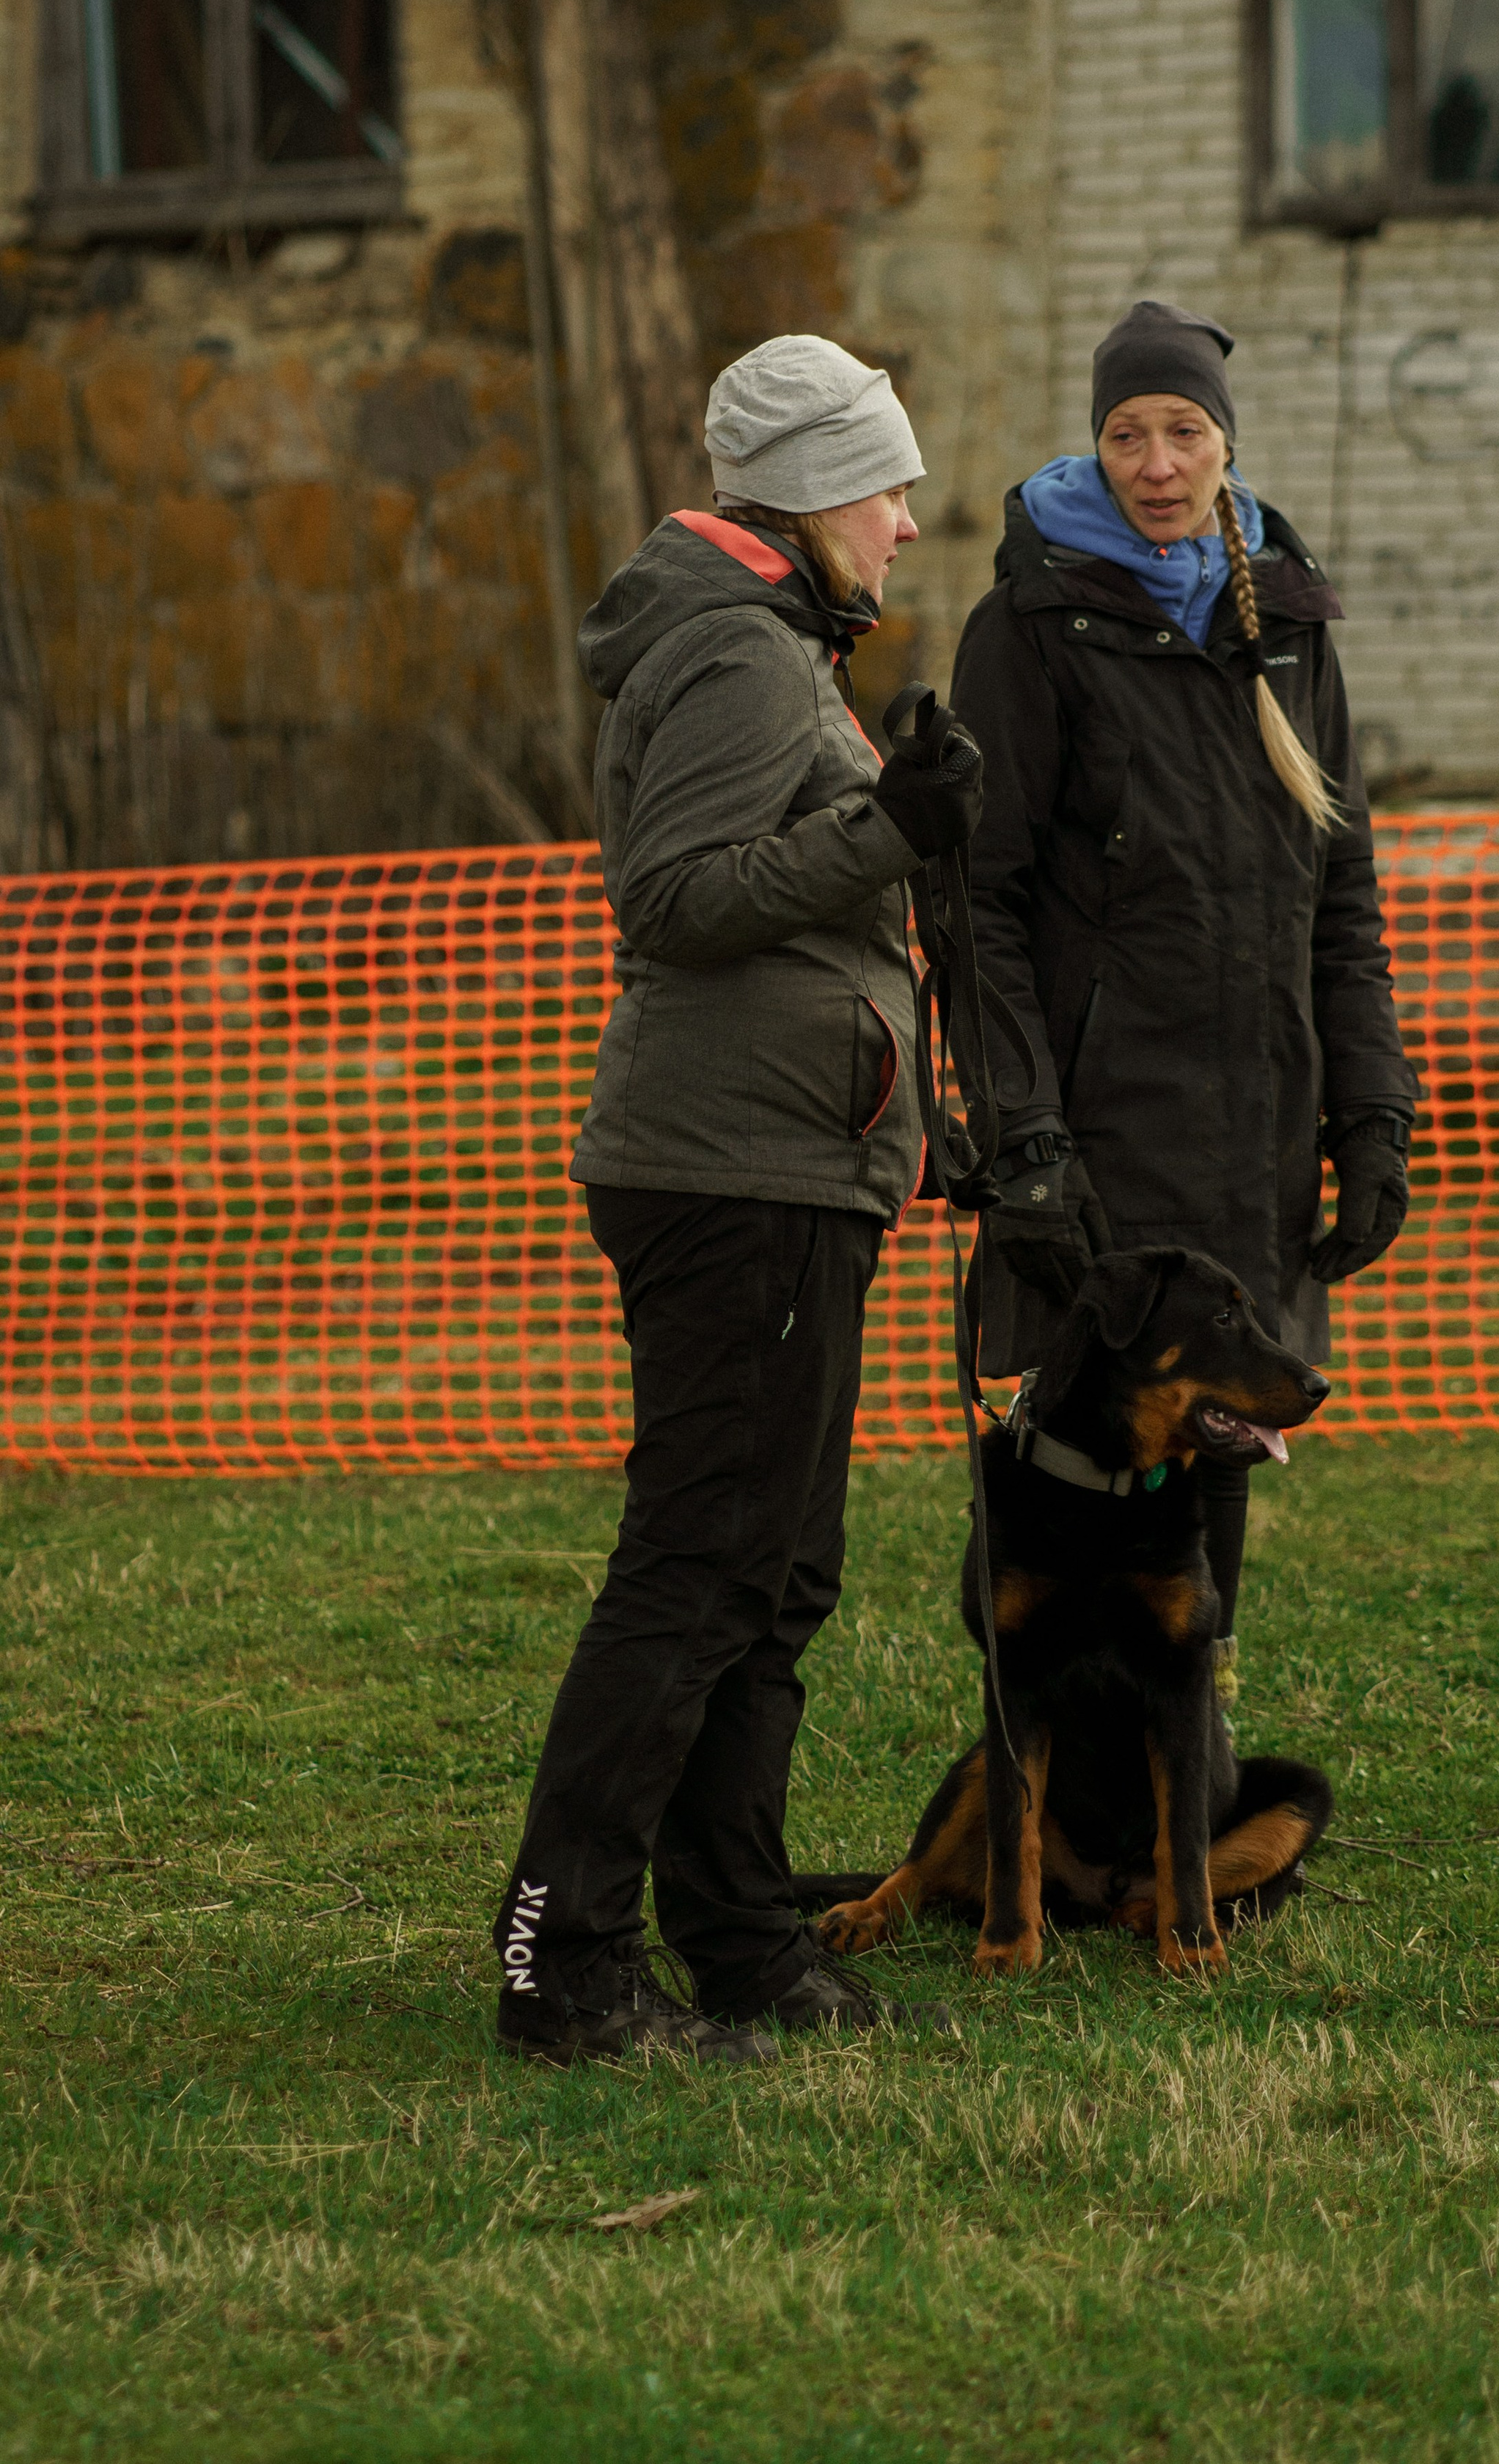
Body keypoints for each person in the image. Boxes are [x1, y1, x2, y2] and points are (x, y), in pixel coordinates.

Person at [493, 335, 983, 2067]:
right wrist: (890, 833)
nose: (911, 522)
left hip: (788, 1163)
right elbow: (675, 899)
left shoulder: (775, 647)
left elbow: (797, 930)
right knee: (699, 1569)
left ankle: (738, 1939)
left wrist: (921, 1112)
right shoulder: (732, 651)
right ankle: (563, 1963)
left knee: (771, 1578)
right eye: (886, 485)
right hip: (726, 1178)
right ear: (802, 488)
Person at [950, 299, 1417, 1692]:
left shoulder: (1288, 628)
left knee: (1219, 1474)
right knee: (1062, 1492)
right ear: (1096, 450)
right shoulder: (1028, 627)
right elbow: (975, 907)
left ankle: (1180, 1778)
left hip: (1254, 1146)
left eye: (1184, 432)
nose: (1156, 463)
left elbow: (1341, 906)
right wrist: (1022, 1133)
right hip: (1094, 1152)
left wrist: (1374, 1114)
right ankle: (1050, 1795)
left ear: (1226, 445)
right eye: (1126, 434)